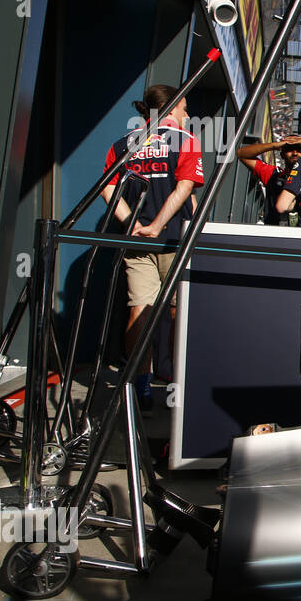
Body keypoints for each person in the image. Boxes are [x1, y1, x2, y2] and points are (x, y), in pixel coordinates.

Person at [101, 85, 204, 409]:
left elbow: (108, 189)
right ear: (170, 109)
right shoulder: (186, 141)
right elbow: (186, 190)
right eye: (184, 108)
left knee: (138, 308)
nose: (187, 115)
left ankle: (138, 387)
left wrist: (132, 222)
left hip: (136, 239)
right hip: (173, 239)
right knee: (178, 312)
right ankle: (174, 383)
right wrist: (159, 225)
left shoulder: (124, 143)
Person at [236, 134, 301, 224]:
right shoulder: (273, 175)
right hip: (273, 233)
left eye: (299, 150)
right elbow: (241, 154)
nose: (294, 153)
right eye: (289, 149)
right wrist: (275, 145)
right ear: (282, 154)